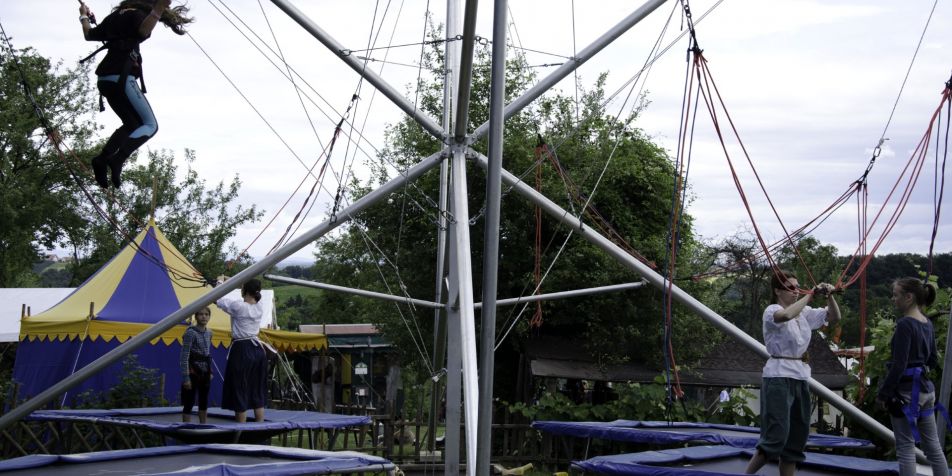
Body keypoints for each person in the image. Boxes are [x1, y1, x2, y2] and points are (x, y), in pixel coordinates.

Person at [78, 0, 193, 188]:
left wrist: (83, 15)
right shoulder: (138, 16)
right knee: (150, 125)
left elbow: (89, 34)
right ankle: (117, 160)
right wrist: (159, 9)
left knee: (132, 124)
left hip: (105, 80)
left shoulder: (116, 15)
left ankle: (102, 160)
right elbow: (143, 31)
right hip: (122, 79)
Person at [745, 271, 840, 476]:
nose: (796, 291)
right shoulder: (772, 310)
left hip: (801, 376)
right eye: (791, 288)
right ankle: (746, 474)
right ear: (777, 290)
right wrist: (811, 294)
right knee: (776, 437)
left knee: (796, 439)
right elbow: (786, 315)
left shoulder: (804, 312)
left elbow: (834, 317)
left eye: (798, 287)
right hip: (778, 376)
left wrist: (829, 295)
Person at [877, 278, 949, 476]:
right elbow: (933, 359)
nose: (893, 299)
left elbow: (899, 365)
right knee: (934, 448)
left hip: (907, 394)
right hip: (926, 391)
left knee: (906, 448)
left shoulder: (905, 325)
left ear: (908, 297)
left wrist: (884, 394)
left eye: (896, 295)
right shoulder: (926, 323)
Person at [216, 278, 268, 423]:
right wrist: (241, 284)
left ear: (244, 290)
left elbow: (217, 299)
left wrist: (220, 284)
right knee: (257, 391)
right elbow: (253, 295)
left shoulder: (239, 306)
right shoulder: (260, 306)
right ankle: (260, 429)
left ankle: (240, 434)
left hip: (242, 349)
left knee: (239, 389)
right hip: (257, 349)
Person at [180, 306, 212, 423]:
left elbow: (207, 354)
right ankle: (185, 427)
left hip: (205, 372)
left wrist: (210, 371)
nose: (204, 316)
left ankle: (203, 425)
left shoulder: (209, 333)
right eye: (201, 314)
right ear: (196, 316)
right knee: (189, 401)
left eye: (206, 314)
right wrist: (186, 377)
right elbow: (184, 356)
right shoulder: (191, 333)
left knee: (204, 401)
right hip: (192, 371)